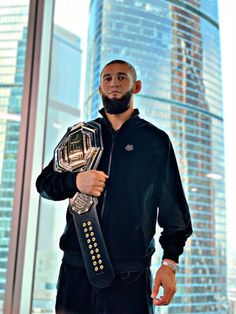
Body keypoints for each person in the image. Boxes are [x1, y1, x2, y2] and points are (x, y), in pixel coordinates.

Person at [36, 59, 192, 314]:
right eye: (107, 78)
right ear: (100, 88)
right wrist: (75, 181)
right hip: (76, 272)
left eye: (122, 77)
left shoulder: (155, 141)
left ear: (137, 86)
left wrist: (170, 263)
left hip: (129, 277)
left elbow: (174, 213)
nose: (113, 83)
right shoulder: (79, 137)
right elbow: (44, 185)